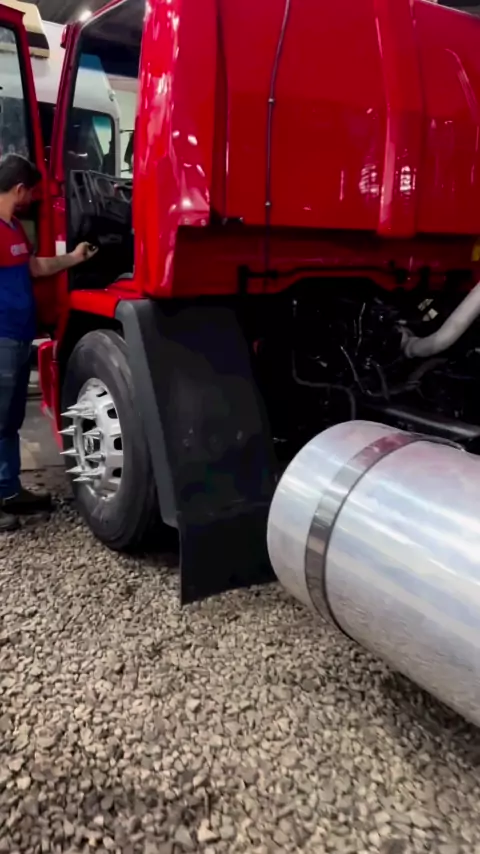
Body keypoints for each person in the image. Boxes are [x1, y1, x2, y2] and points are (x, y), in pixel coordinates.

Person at [0, 153, 97, 532]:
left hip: (18, 335)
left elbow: (36, 267)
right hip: (2, 337)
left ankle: (8, 490)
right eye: (32, 193)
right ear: (19, 189)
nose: (34, 200)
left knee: (10, 421)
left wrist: (73, 258)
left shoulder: (13, 228)